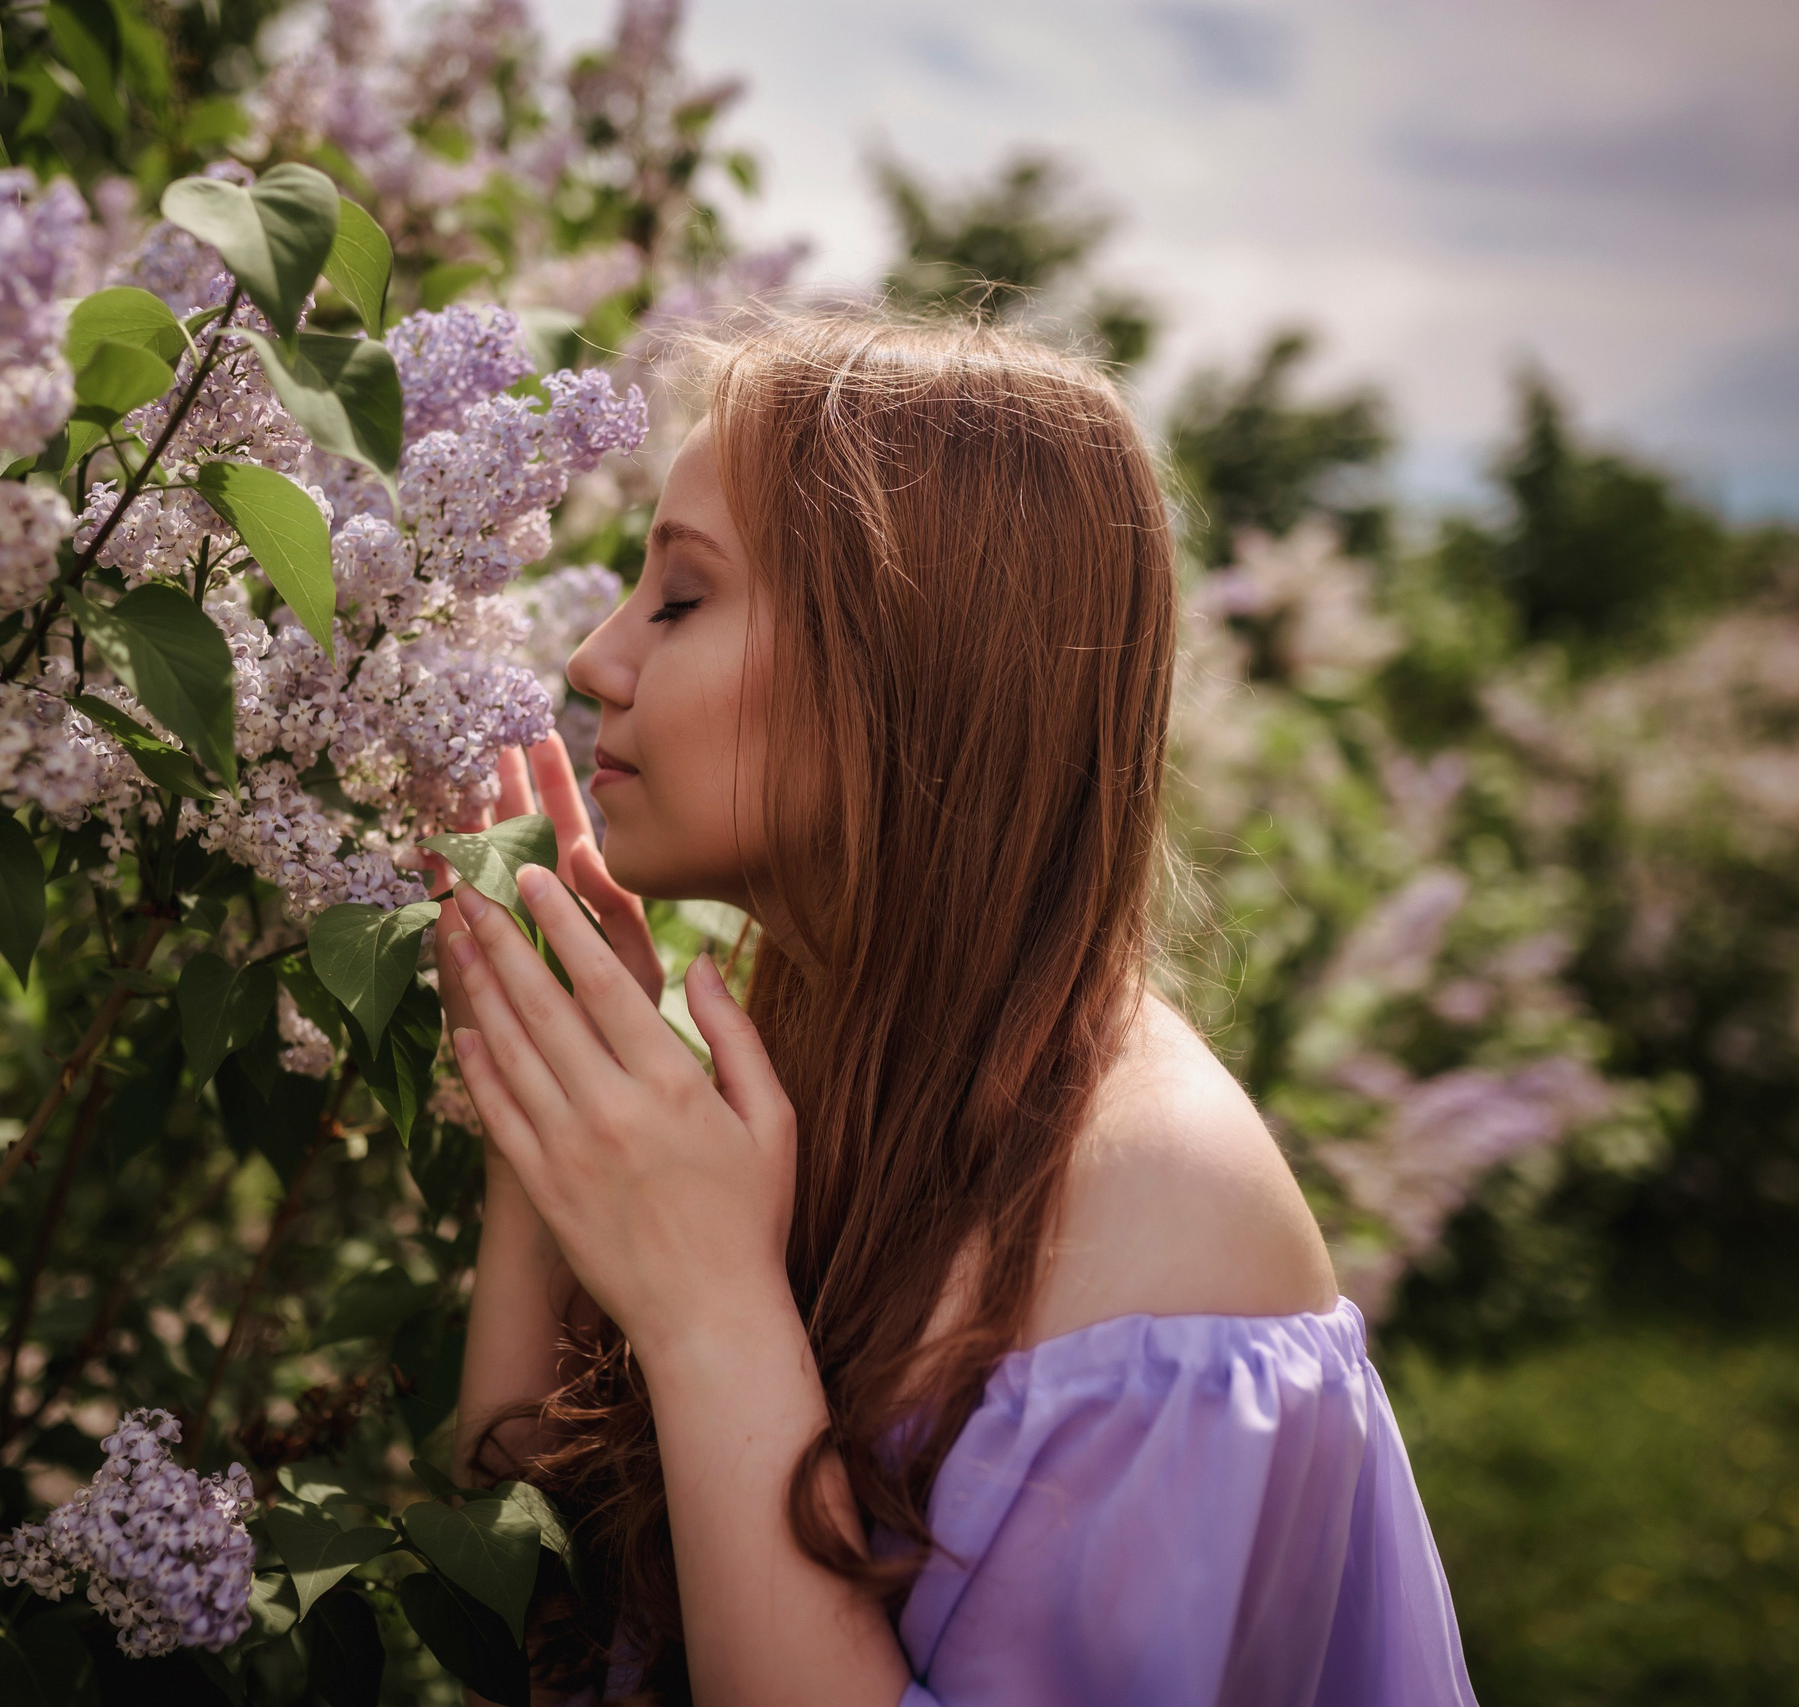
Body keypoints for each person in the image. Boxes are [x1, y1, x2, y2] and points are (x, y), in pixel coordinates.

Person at [431, 313, 1478, 1707]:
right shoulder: (825, 1055)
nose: (595, 660)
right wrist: (543, 1128)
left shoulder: (1159, 1228)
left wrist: (711, 1317)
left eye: (681, 599)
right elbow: (524, 1630)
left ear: (902, 667)